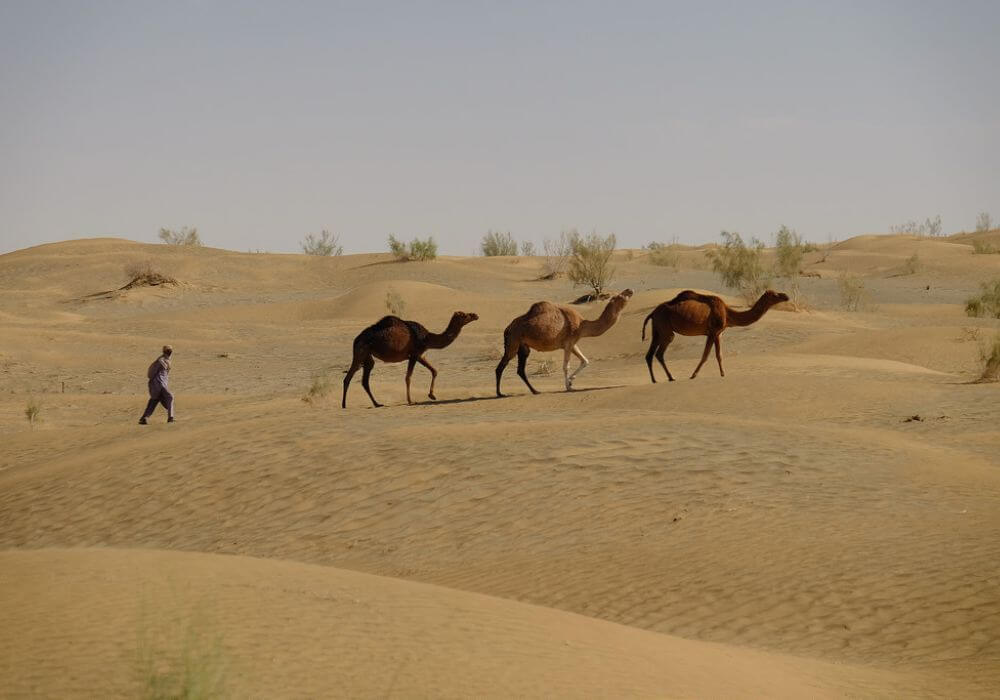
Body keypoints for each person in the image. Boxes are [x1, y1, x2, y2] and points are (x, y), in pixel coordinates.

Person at [139, 345, 175, 424]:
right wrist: (156, 383)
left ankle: (144, 418)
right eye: (167, 350)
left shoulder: (166, 360)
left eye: (170, 350)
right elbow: (151, 374)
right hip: (158, 384)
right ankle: (170, 417)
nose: (169, 351)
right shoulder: (160, 361)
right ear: (164, 351)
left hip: (160, 385)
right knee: (170, 397)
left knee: (154, 401)